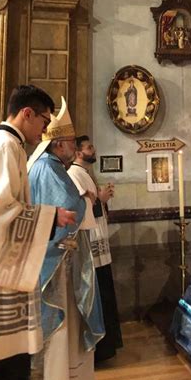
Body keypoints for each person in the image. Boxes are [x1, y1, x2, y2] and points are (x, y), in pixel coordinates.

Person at [0, 84, 76, 380]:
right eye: (44, 121)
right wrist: (49, 217)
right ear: (26, 114)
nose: (45, 130)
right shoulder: (4, 148)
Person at [28, 98, 104, 380]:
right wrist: (87, 197)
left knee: (69, 332)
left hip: (60, 259)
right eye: (71, 142)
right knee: (62, 331)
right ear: (58, 145)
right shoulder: (48, 169)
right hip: (57, 263)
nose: (74, 147)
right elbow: (69, 208)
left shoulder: (49, 166)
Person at [68, 136, 123, 363]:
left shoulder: (87, 173)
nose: (94, 149)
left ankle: (109, 347)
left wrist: (102, 200)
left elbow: (94, 205)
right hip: (89, 244)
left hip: (100, 242)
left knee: (106, 293)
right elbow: (79, 207)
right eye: (89, 147)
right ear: (79, 152)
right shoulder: (73, 173)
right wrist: (97, 199)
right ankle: (99, 350)